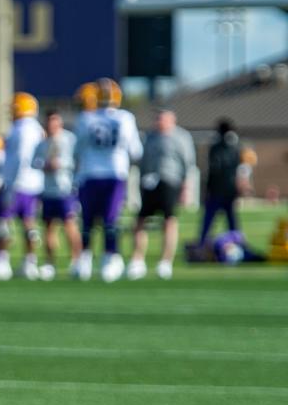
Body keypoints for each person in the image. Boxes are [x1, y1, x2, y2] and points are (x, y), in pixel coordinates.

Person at [73, 77, 142, 282]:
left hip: (89, 174)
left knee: (87, 221)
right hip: (115, 174)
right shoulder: (125, 118)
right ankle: (109, 259)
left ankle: (83, 261)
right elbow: (136, 151)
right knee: (110, 220)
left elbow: (77, 150)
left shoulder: (86, 118)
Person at [127, 109, 195, 280]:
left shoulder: (181, 137)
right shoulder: (149, 137)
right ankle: (137, 260)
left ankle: (165, 262)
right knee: (140, 221)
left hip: (170, 181)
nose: (160, 122)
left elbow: (188, 163)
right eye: (158, 119)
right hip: (150, 182)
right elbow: (142, 161)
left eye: (163, 119)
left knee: (169, 221)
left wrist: (186, 188)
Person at [0, 92, 44, 280]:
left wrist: (10, 182)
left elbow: (20, 158)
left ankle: (2, 261)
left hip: (18, 182)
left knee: (3, 222)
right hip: (32, 182)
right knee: (28, 222)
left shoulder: (23, 128)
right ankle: (30, 262)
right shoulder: (33, 127)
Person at [32, 109, 80, 280]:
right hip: (48, 189)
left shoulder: (69, 139)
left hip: (65, 189)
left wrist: (61, 164)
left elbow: (77, 160)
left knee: (69, 224)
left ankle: (76, 261)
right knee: (49, 227)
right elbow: (34, 162)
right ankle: (49, 263)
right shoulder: (43, 143)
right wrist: (44, 165)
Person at [198, 119, 247, 247]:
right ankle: (237, 242)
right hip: (228, 189)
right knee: (229, 219)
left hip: (219, 189)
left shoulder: (219, 148)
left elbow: (214, 170)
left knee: (212, 218)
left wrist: (207, 188)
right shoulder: (235, 147)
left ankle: (203, 242)